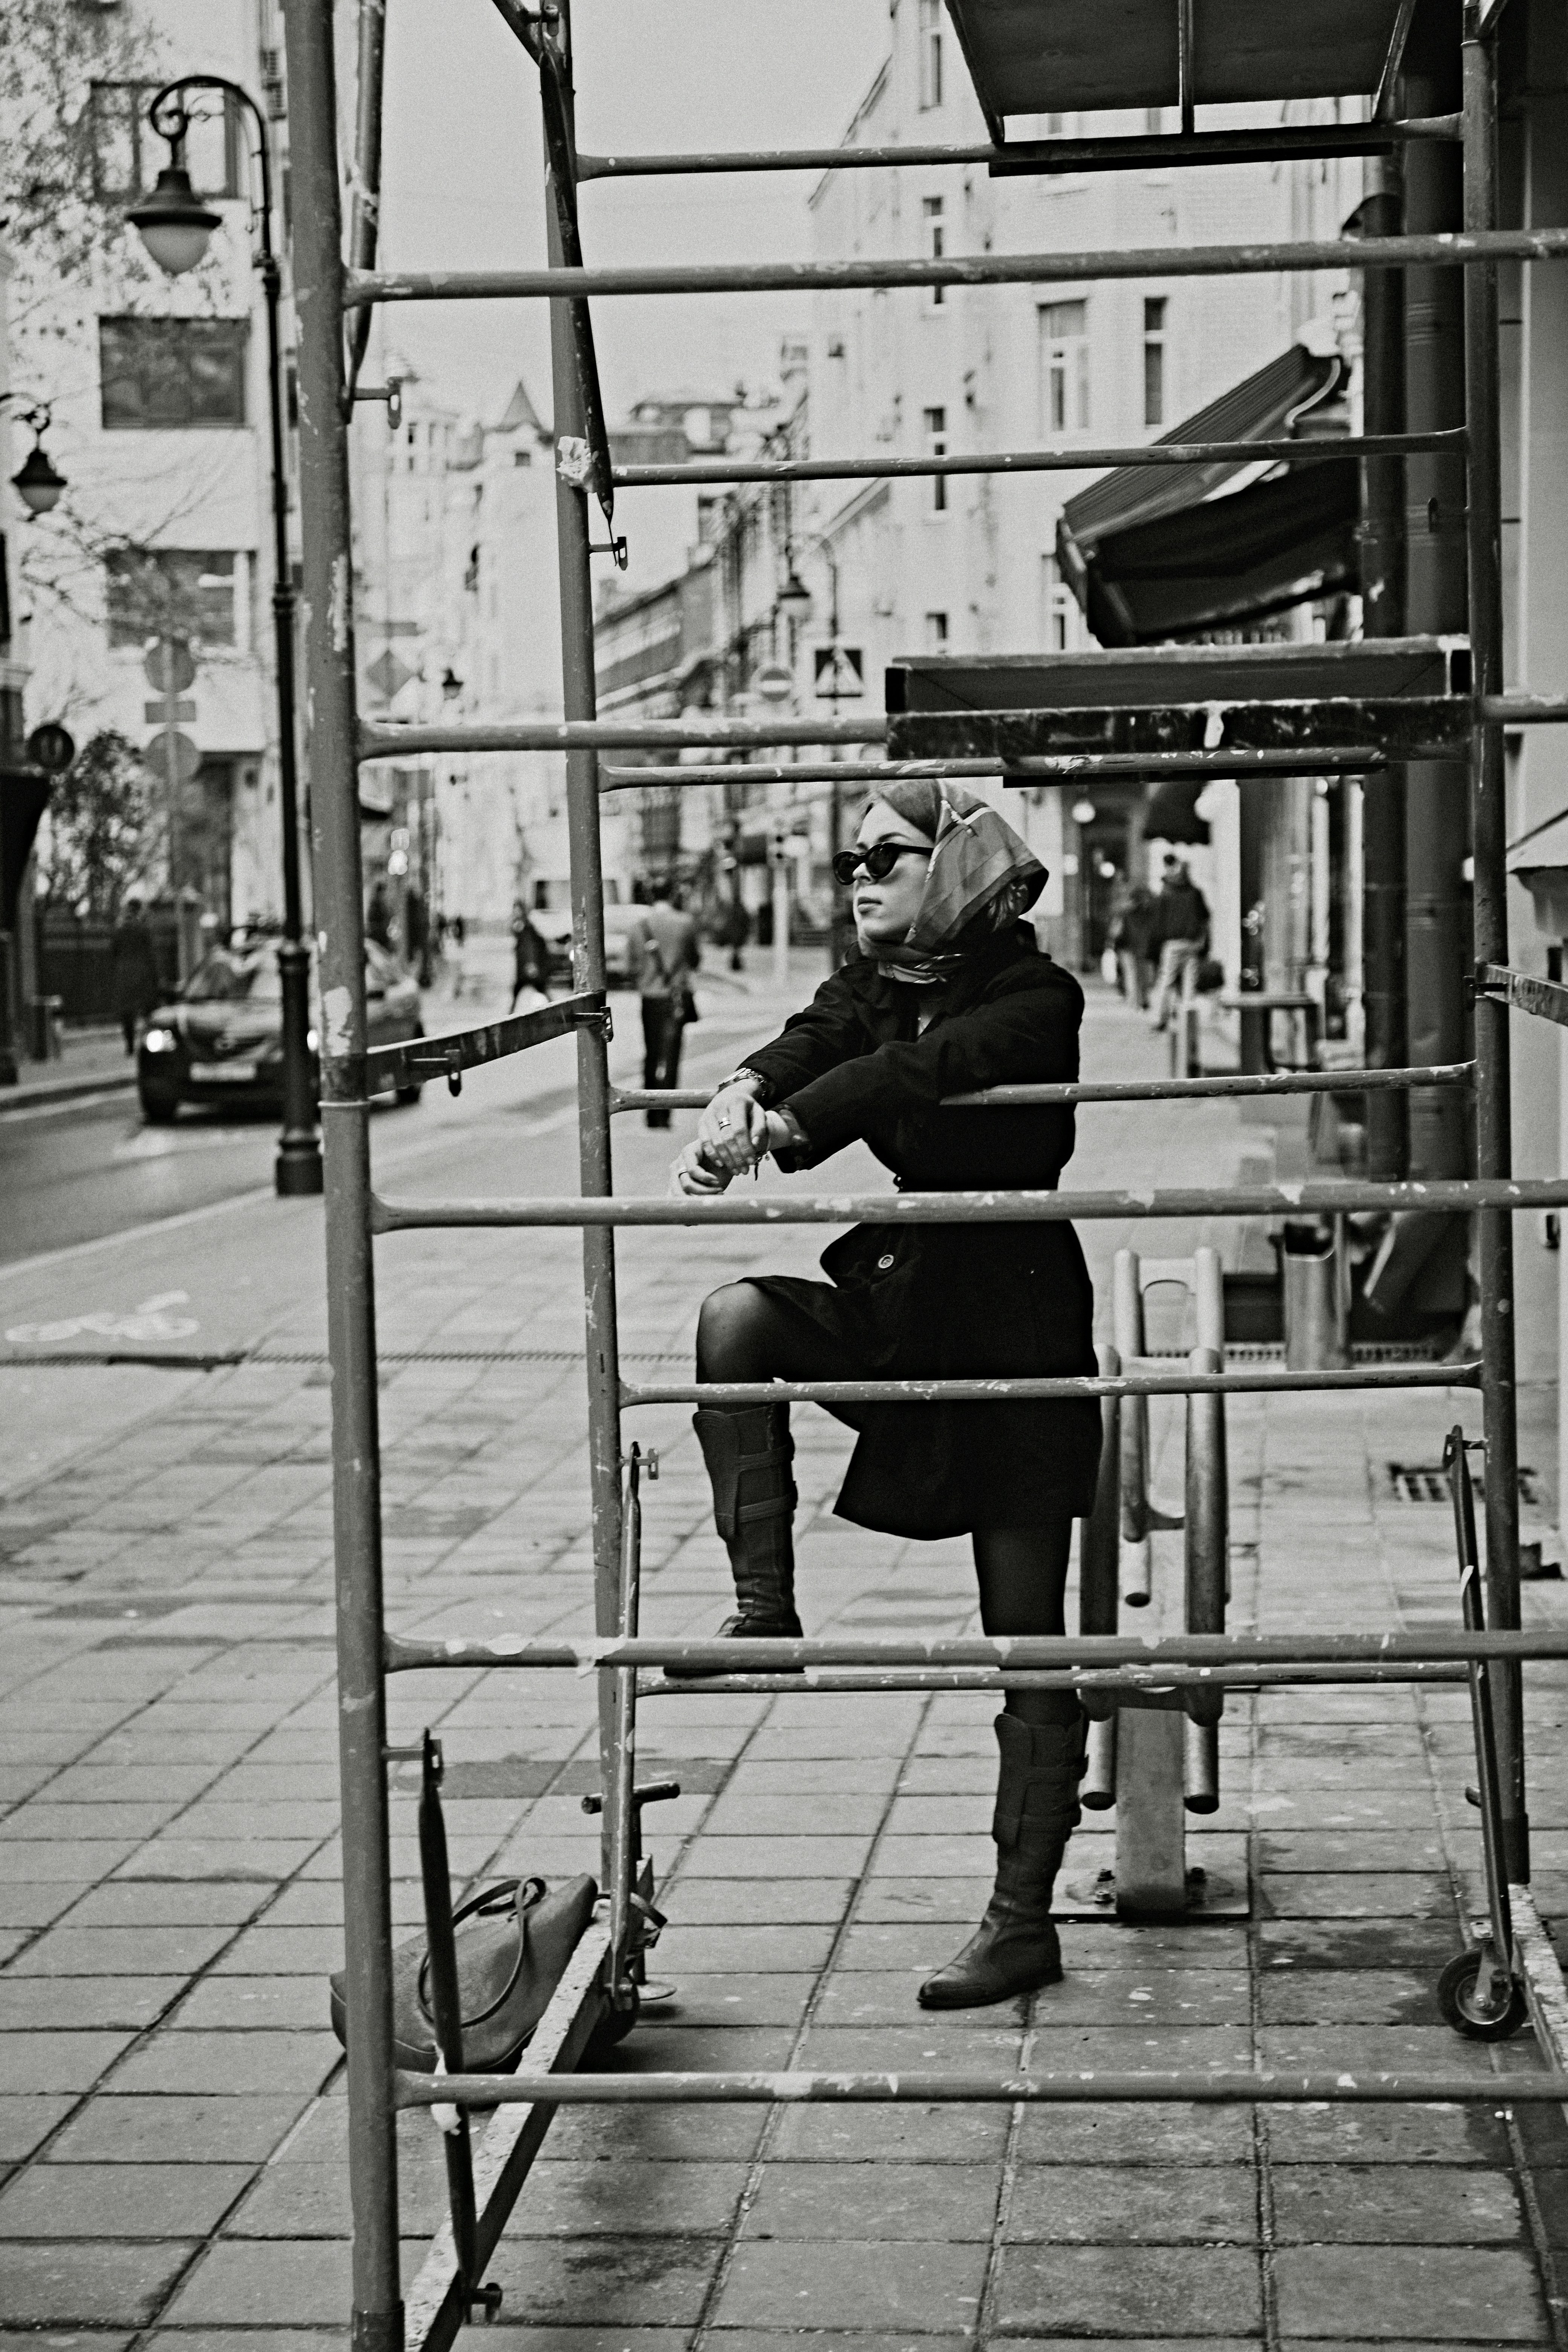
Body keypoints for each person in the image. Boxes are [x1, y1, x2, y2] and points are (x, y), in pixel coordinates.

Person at [670, 781, 1100, 2011]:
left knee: (1030, 1643)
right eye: (848, 858)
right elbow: (814, 1040)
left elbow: (921, 1074)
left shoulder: (1035, 994)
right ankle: (766, 1614)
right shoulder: (871, 983)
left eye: (886, 856)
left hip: (1017, 1323)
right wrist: (739, 1095)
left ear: (956, 866)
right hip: (909, 1293)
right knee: (737, 1318)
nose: (856, 877)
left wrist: (788, 1127)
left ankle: (1021, 1922)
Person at [629, 882, 699, 1128]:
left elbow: (631, 966)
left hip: (649, 997)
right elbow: (694, 960)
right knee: (670, 1056)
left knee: (651, 1054)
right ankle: (665, 1114)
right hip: (675, 998)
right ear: (672, 896)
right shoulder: (685, 923)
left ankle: (650, 1113)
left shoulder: (639, 927)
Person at [1148, 855, 1211, 1031]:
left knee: (1167, 981)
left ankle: (1161, 1018)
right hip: (1192, 943)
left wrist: (1156, 945)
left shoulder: (1166, 894)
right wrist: (1202, 940)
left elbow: (1158, 923)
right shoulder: (1195, 893)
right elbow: (1205, 918)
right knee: (1190, 984)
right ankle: (1188, 1022)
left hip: (1173, 943)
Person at [111, 894, 162, 1054]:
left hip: (124, 975)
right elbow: (151, 955)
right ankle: (149, 1043)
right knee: (148, 1011)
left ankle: (130, 1045)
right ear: (140, 910)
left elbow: (113, 953)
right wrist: (156, 978)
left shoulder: (120, 931)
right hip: (142, 975)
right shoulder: (144, 930)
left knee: (127, 1013)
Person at [1109, 879, 1158, 1010]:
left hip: (1127, 946)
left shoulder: (1125, 911)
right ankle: (1143, 1000)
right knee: (1144, 975)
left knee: (1131, 974)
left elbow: (1116, 930)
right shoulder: (1150, 911)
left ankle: (1134, 1002)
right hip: (1143, 946)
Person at [509, 900, 551, 1011]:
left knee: (535, 988)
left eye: (518, 911)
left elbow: (529, 947)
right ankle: (510, 1015)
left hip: (528, 967)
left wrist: (531, 963)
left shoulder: (525, 927)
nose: (516, 913)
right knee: (522, 990)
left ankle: (510, 1016)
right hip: (526, 967)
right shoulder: (522, 925)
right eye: (515, 911)